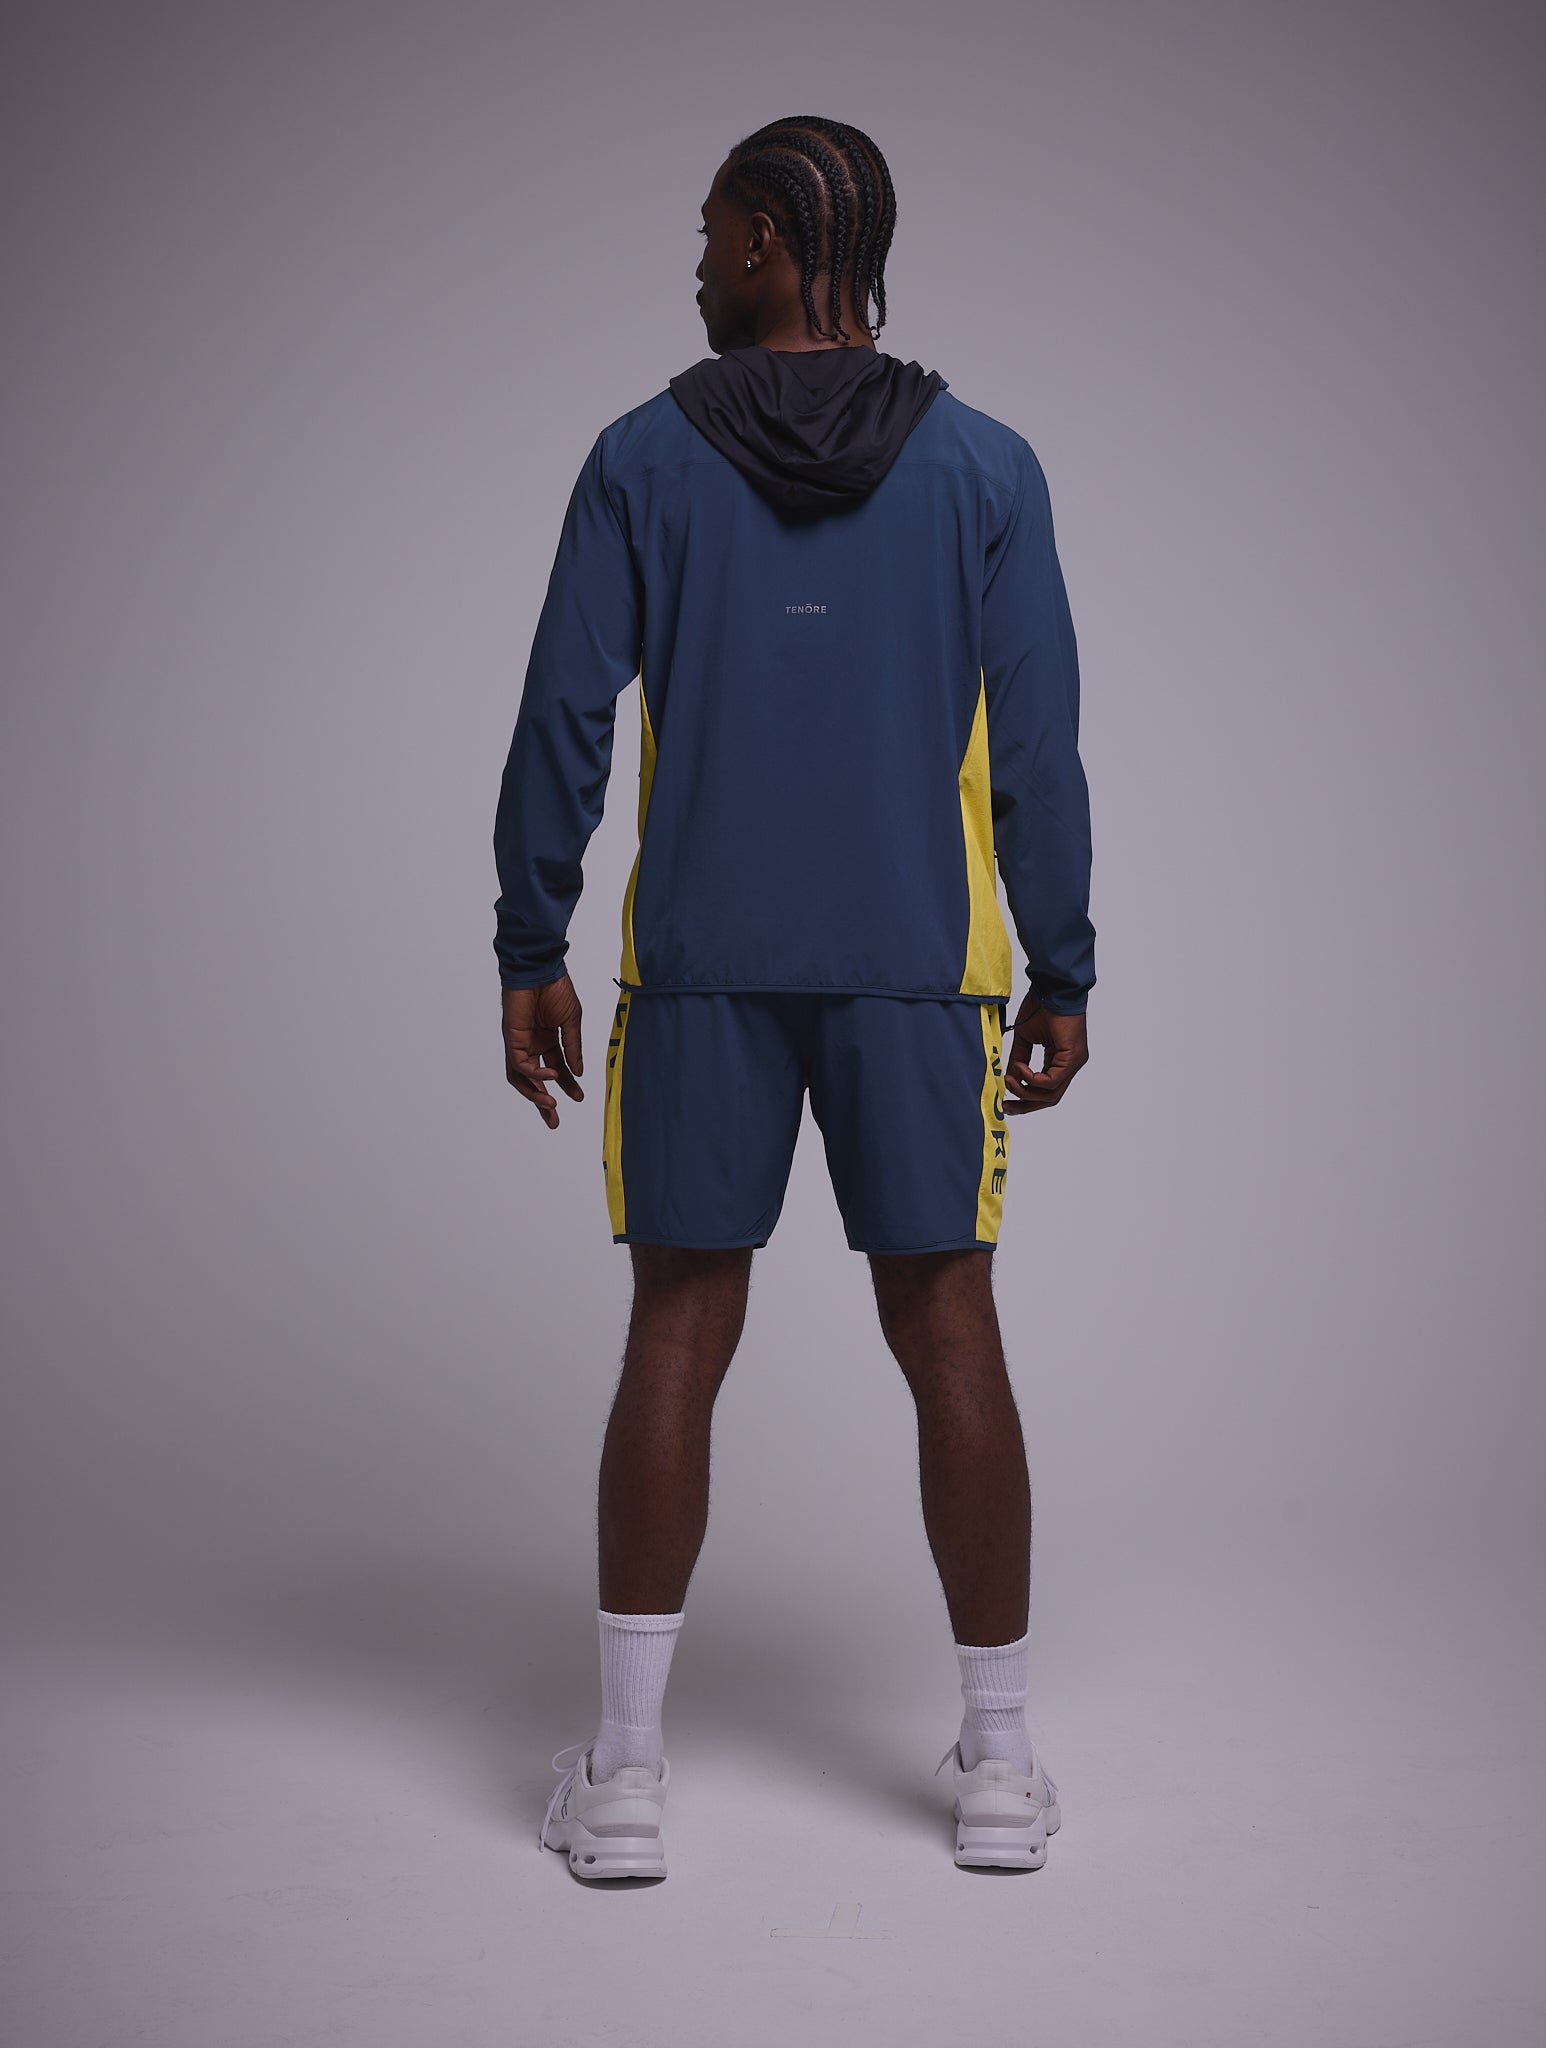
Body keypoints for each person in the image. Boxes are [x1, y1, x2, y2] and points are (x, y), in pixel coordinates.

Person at [493, 115, 1097, 1879]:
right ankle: (998, 1773)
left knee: (678, 1330)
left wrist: (530, 941)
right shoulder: (986, 467)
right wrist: (1061, 962)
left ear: (765, 238)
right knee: (950, 1327)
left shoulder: (638, 458)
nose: (694, 262)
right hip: (920, 970)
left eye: (708, 230)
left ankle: (623, 1780)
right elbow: (1037, 749)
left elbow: (563, 714)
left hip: (699, 966)